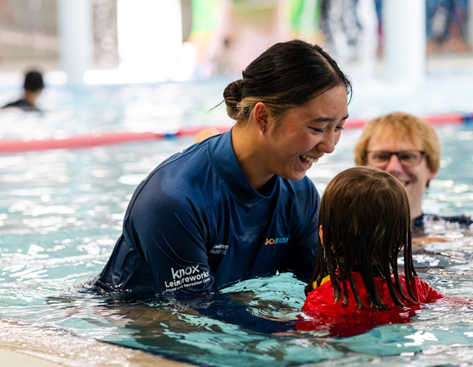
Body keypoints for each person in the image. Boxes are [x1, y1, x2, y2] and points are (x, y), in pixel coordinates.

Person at [95, 40, 351, 300]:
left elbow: (317, 288)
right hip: (129, 321)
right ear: (263, 117)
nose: (330, 146)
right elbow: (194, 317)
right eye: (318, 128)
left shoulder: (299, 195)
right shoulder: (175, 198)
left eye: (339, 127)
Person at [298, 167, 444, 335]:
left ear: (323, 236)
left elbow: (311, 340)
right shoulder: (413, 288)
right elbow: (458, 305)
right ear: (402, 240)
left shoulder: (324, 299)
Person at [353, 112, 473, 237]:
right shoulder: (341, 233)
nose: (393, 168)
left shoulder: (464, 231)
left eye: (408, 156)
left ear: (431, 168)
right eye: (381, 156)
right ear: (362, 168)